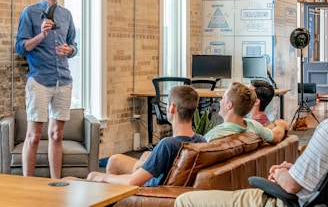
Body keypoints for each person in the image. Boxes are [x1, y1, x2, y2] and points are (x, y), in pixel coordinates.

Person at [174, 118, 328, 207]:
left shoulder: (326, 131)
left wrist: (280, 173)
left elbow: (291, 185)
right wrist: (296, 170)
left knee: (185, 200)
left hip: (285, 202)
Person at [15, 0, 77, 178]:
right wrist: (41, 35)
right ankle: (28, 185)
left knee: (56, 135)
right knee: (33, 137)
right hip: (40, 81)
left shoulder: (66, 14)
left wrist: (70, 50)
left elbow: (73, 45)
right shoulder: (30, 12)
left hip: (63, 81)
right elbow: (21, 48)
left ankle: (56, 184)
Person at [86, 85, 206, 186]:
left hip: (150, 189)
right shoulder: (201, 141)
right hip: (166, 181)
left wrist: (99, 177)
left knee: (103, 170)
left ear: (172, 108)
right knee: (116, 160)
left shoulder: (167, 145)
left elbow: (132, 181)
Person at [204, 82, 289, 144]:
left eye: (223, 98)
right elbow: (277, 135)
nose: (220, 101)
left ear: (229, 105)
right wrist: (281, 124)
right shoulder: (254, 126)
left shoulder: (213, 136)